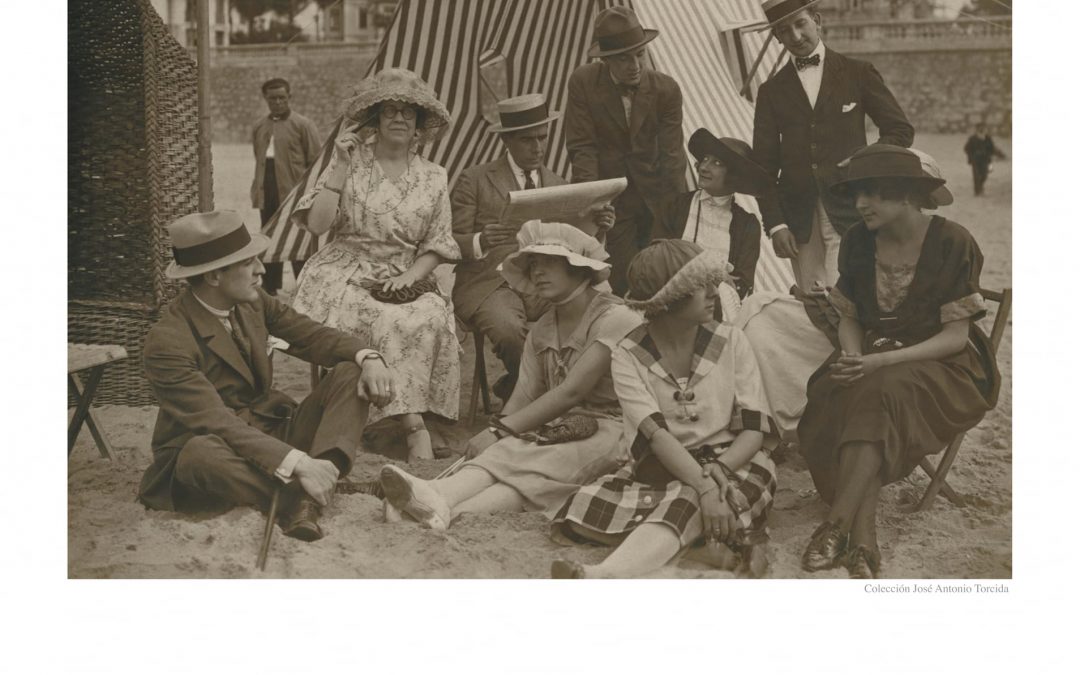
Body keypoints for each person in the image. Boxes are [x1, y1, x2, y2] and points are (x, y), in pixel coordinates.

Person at [797, 145, 1000, 579]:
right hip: (875, 357)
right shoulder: (857, 240)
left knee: (879, 389)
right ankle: (863, 540)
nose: (859, 205)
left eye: (872, 194)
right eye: (856, 195)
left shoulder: (952, 242)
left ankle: (834, 526)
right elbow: (849, 315)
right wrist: (854, 354)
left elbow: (955, 337)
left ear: (907, 195)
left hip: (944, 367)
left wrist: (879, 361)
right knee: (838, 388)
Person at [138, 210, 395, 542]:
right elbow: (216, 422)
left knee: (349, 371)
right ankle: (303, 496)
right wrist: (299, 462)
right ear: (214, 276)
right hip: (217, 451)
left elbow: (310, 336)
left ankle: (320, 477)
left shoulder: (252, 301)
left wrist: (369, 356)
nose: (262, 270)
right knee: (198, 454)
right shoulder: (167, 340)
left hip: (269, 432)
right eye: (248, 263)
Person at [377, 221, 642, 529]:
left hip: (616, 431)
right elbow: (525, 395)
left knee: (537, 463)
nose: (538, 272)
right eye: (533, 265)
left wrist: (499, 431)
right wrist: (496, 435)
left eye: (550, 263)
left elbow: (571, 392)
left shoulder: (615, 317)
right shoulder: (543, 328)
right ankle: (440, 505)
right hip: (563, 427)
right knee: (512, 453)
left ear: (580, 268)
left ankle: (442, 500)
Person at [550, 240, 778, 579]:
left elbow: (753, 429)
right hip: (662, 465)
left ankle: (605, 575)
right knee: (584, 508)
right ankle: (705, 547)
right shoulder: (627, 353)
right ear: (670, 299)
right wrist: (705, 487)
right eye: (702, 286)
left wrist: (715, 475)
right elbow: (655, 436)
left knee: (687, 500)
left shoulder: (732, 340)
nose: (715, 291)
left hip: (734, 463)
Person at [289, 68, 461, 462]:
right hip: (343, 271)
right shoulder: (351, 164)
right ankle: (413, 426)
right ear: (376, 120)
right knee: (383, 319)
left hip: (406, 270)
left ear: (419, 124)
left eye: (409, 112)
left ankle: (400, 416)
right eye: (390, 111)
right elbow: (317, 226)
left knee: (431, 313)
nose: (399, 119)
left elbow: (438, 244)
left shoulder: (434, 177)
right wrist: (339, 166)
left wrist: (409, 277)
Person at [736, 147, 955, 441]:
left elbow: (937, 325)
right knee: (760, 310)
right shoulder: (860, 237)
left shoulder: (945, 243)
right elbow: (855, 300)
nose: (865, 202)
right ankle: (760, 417)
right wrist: (832, 294)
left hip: (898, 348)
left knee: (776, 326)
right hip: (855, 331)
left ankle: (796, 421)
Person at [451, 93, 615, 402]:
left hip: (545, 282)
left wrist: (599, 226)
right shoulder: (474, 179)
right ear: (508, 141)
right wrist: (480, 240)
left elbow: (574, 243)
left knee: (600, 309)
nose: (537, 147)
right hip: (490, 284)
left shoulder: (560, 184)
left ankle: (530, 391)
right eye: (528, 140)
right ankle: (541, 396)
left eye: (542, 138)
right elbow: (446, 241)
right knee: (509, 331)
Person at [752, 0, 913, 292]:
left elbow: (899, 130)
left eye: (801, 24)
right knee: (813, 304)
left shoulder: (858, 72)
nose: (796, 36)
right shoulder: (770, 91)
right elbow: (762, 167)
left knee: (855, 296)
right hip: (799, 220)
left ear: (817, 20)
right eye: (785, 31)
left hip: (854, 208)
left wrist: (865, 162)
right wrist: (776, 224)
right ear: (776, 38)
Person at [565, 6, 687, 296]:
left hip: (658, 198)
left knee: (661, 278)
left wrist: (673, 215)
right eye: (623, 58)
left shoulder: (667, 89)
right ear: (605, 60)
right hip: (612, 203)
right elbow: (582, 148)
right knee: (622, 282)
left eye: (640, 54)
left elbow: (673, 158)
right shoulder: (583, 82)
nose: (635, 65)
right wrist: (592, 204)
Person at [653, 129, 772, 319]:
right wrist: (716, 273)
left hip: (715, 312)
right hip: (668, 302)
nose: (704, 167)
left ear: (734, 175)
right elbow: (657, 256)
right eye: (706, 159)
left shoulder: (747, 225)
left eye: (717, 163)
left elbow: (741, 284)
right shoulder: (675, 205)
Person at [250, 77, 322, 295]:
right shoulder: (259, 127)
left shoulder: (303, 125)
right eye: (273, 98)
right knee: (270, 236)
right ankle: (271, 287)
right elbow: (259, 160)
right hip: (267, 190)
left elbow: (315, 161)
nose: (278, 102)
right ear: (265, 99)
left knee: (298, 238)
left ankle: (304, 287)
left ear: (290, 98)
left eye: (282, 97)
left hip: (295, 193)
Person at [963, 122, 1007, 196]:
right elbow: (966, 148)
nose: (982, 129)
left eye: (983, 128)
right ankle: (977, 191)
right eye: (980, 128)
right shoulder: (972, 139)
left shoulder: (988, 138)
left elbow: (992, 148)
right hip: (975, 160)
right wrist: (972, 156)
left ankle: (980, 186)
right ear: (976, 129)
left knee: (984, 174)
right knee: (976, 176)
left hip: (985, 160)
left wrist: (1001, 155)